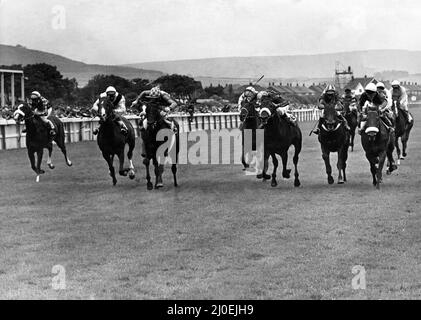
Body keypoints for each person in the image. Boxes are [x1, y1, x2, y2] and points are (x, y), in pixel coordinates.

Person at [131, 85, 177, 156]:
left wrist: (169, 108)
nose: (153, 99)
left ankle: (171, 135)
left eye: (155, 98)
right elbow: (143, 93)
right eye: (152, 98)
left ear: (158, 97)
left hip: (163, 108)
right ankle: (144, 146)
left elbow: (174, 103)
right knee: (144, 123)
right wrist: (136, 100)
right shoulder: (147, 93)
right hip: (152, 109)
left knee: (166, 121)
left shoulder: (164, 96)